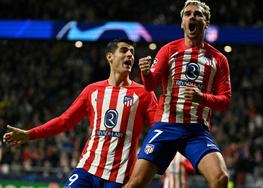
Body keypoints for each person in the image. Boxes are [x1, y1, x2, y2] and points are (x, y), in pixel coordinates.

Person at [3, 39, 158, 188]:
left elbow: (158, 130)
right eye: (124, 50)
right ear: (109, 57)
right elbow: (65, 121)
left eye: (132, 52)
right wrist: (30, 134)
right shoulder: (92, 91)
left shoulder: (144, 93)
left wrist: (143, 170)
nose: (130, 55)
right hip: (87, 169)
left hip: (119, 177)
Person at [125, 0, 232, 188]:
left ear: (206, 22)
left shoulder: (218, 59)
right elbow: (150, 85)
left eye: (197, 14)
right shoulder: (169, 49)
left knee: (221, 178)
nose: (192, 16)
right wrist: (146, 73)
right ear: (182, 22)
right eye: (188, 14)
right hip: (167, 126)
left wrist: (202, 98)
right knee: (136, 183)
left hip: (196, 131)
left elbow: (225, 101)